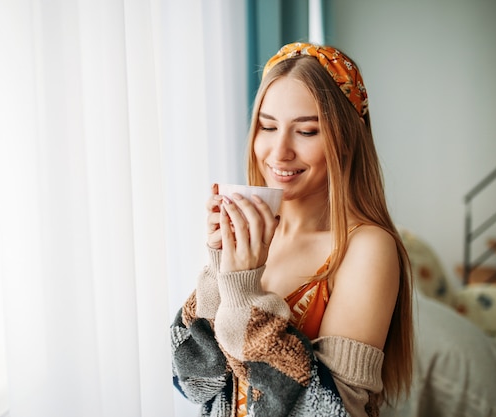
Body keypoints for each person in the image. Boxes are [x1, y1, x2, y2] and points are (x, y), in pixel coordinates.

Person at [170, 42, 413, 417]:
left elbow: (329, 410)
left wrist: (243, 289)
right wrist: (219, 269)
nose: (279, 151)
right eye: (267, 127)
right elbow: (195, 382)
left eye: (307, 131)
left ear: (347, 140)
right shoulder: (254, 240)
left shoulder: (367, 248)